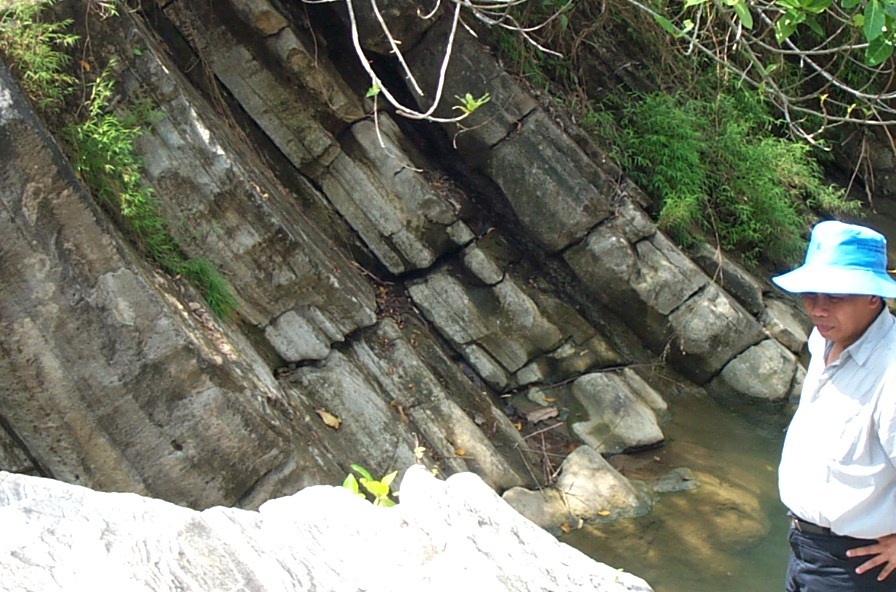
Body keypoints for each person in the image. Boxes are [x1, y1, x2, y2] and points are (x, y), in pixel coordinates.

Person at [772, 219, 896, 591]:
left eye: (835, 297)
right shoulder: (823, 340)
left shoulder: (890, 373)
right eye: (811, 295)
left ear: (873, 297)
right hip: (804, 548)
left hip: (855, 568)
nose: (818, 309)